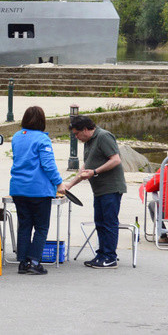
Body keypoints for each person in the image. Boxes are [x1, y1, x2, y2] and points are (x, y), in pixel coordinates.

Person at [10, 106, 66, 275]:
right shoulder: (42, 140)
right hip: (38, 190)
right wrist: (59, 183)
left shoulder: (16, 137)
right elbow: (48, 165)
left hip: (18, 188)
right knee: (41, 227)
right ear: (42, 121)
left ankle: (23, 262)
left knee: (25, 225)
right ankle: (34, 261)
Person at [66, 115, 127, 269]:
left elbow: (116, 160)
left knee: (109, 223)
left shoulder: (103, 137)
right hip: (99, 189)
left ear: (86, 129)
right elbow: (85, 167)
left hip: (111, 188)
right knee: (99, 222)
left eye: (77, 133)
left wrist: (95, 172)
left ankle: (110, 257)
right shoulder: (88, 141)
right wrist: (70, 185)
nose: (76, 137)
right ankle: (101, 254)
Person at [143, 165, 168, 244]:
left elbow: (149, 188)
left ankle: (163, 236)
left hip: (166, 211)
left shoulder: (165, 169)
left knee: (152, 204)